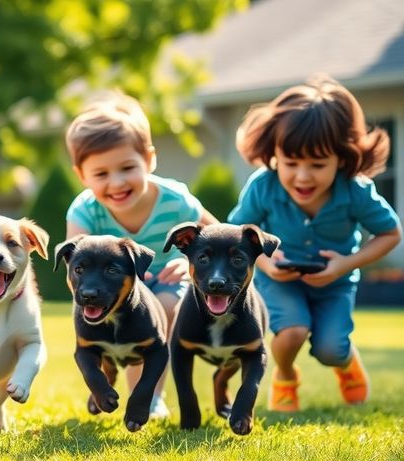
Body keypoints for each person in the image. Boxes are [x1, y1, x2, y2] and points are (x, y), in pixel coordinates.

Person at [229, 75, 402, 412]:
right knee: (292, 331)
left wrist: (344, 264)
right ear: (274, 154)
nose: (303, 176)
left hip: (334, 283)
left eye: (318, 165)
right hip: (280, 281)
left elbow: (390, 233)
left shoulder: (355, 190)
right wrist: (266, 264)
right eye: (290, 164)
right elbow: (237, 232)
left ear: (343, 157)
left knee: (330, 350)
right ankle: (285, 374)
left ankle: (346, 362)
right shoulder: (263, 186)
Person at [64, 93, 219, 418]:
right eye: (101, 174)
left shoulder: (176, 201)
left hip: (165, 282)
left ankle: (148, 397)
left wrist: (189, 263)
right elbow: (75, 267)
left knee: (161, 310)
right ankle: (106, 373)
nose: (116, 182)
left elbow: (217, 238)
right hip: (109, 291)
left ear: (149, 160)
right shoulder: (84, 210)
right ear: (82, 175)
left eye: (127, 168)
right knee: (95, 323)